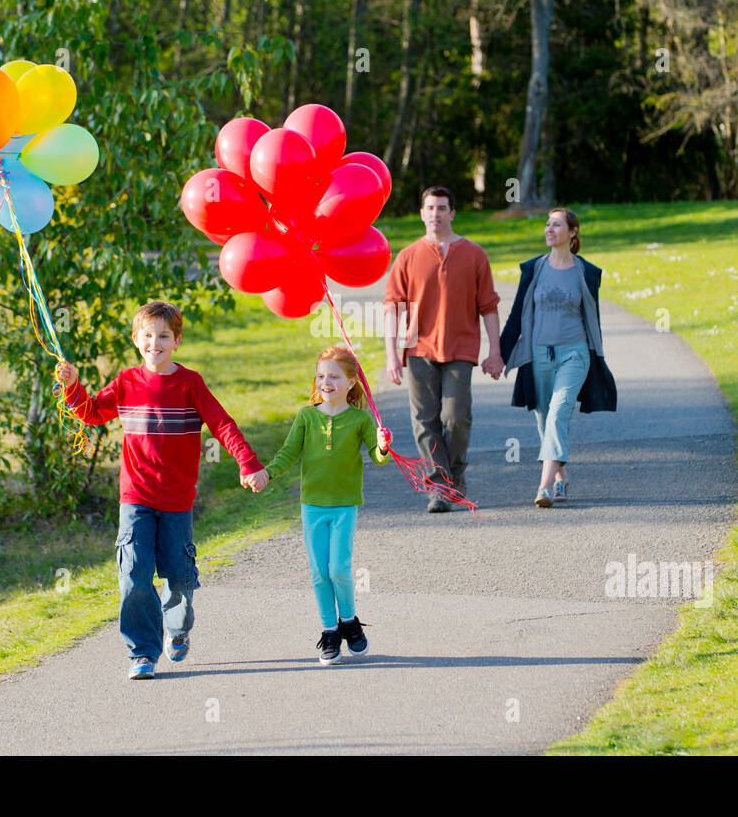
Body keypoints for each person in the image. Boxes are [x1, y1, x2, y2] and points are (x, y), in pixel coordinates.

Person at [58, 300, 267, 681]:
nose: (155, 342)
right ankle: (142, 652)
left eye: (164, 336)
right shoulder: (126, 382)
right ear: (137, 339)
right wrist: (73, 387)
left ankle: (179, 628)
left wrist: (247, 462)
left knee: (179, 577)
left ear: (177, 341)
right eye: (148, 335)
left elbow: (223, 425)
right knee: (134, 573)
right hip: (135, 497)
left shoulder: (190, 384)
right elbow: (91, 412)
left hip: (176, 501)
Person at [242, 346, 392, 665]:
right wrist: (267, 473)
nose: (326, 381)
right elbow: (288, 453)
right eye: (321, 375)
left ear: (351, 382)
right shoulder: (306, 416)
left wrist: (382, 446)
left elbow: (379, 460)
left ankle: (349, 621)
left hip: (344, 506)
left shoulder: (360, 419)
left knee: (339, 568)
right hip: (312, 506)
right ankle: (329, 631)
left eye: (335, 376)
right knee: (319, 572)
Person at [383, 186, 502, 513]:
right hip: (418, 349)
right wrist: (392, 354)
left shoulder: (474, 254)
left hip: (460, 349)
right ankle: (439, 487)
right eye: (430, 207)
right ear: (422, 213)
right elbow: (393, 307)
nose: (435, 213)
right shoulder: (407, 256)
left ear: (452, 213)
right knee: (424, 420)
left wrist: (495, 352)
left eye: (442, 208)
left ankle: (455, 478)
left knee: (455, 418)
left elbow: (489, 307)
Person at [498, 209, 617, 507]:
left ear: (573, 232)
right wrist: (498, 354)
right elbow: (516, 316)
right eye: (547, 224)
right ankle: (562, 477)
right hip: (538, 356)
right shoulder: (533, 269)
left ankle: (545, 487)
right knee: (544, 420)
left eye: (557, 225)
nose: (549, 229)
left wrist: (597, 356)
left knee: (558, 411)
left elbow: (593, 318)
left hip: (574, 354)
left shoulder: (586, 272)